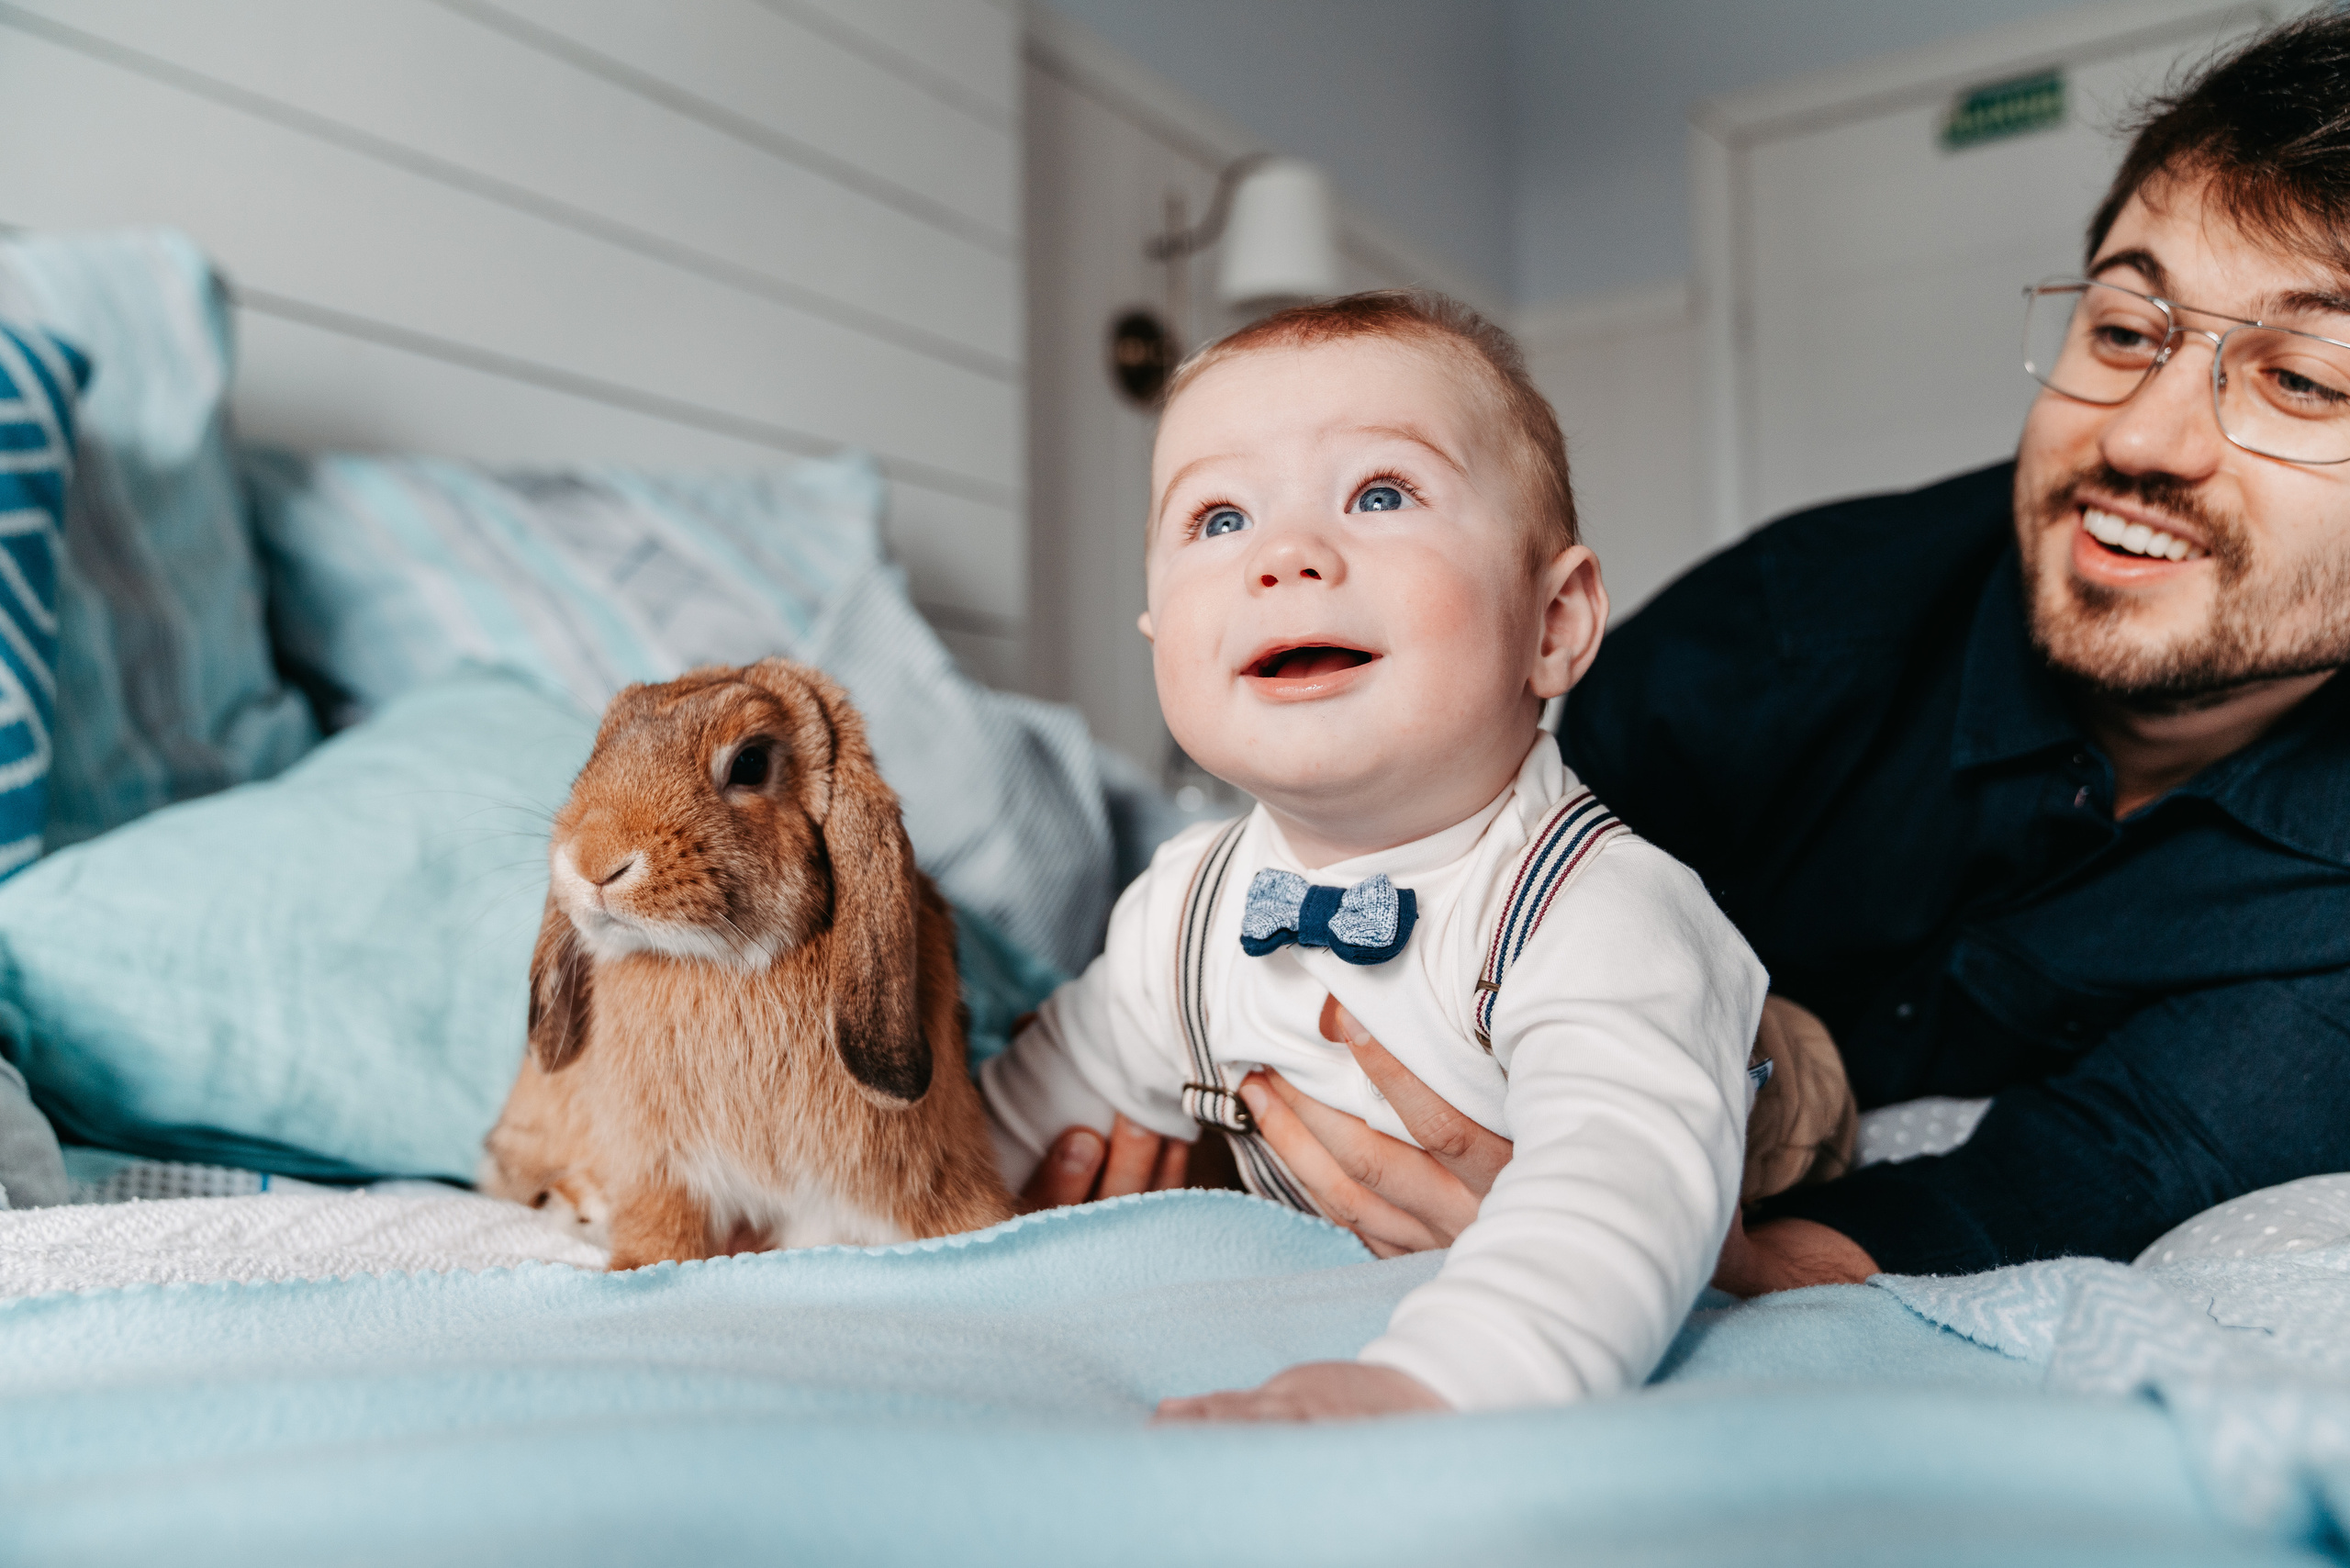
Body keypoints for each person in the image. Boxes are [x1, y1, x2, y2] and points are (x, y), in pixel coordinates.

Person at [1030, 13, 2350, 1299]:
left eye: (2305, 380)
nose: (2141, 438)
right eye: (2124, 333)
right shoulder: (1798, 625)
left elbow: (2128, 1154)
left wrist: (1700, 1257)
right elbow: (1452, 830)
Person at [980, 290, 1775, 1420]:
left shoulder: (1600, 909)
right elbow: (1004, 1137)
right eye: (1218, 520)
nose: (1287, 555)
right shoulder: (1182, 913)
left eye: (1381, 492)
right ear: (1159, 640)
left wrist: (1426, 1383)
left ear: (1551, 625)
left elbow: (1614, 1197)